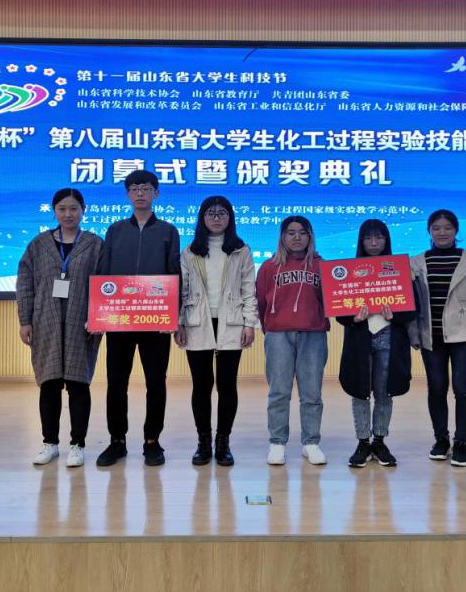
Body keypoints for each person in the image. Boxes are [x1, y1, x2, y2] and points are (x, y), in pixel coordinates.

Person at [95, 170, 181, 467]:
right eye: (134, 189)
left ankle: (152, 441)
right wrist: (99, 316)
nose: (140, 193)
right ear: (128, 195)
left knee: (156, 382)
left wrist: (173, 316)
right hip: (119, 319)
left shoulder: (168, 231)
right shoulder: (115, 230)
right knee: (116, 382)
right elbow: (104, 274)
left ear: (156, 193)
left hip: (155, 320)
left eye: (146, 188)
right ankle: (117, 441)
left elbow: (174, 274)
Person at [17, 188, 104, 468]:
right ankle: (50, 443)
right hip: (46, 321)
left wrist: (100, 317)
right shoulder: (39, 244)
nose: (68, 214)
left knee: (79, 384)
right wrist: (25, 320)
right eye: (62, 209)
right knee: (50, 384)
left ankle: (77, 445)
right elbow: (25, 284)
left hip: (83, 324)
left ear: (83, 211)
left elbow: (105, 284)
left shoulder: (94, 244)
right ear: (54, 211)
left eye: (74, 208)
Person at [175, 196, 258, 467]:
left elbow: (249, 289)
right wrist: (179, 322)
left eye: (222, 213)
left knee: (226, 384)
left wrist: (249, 323)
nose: (216, 218)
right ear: (202, 218)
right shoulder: (190, 251)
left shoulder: (241, 250)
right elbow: (182, 290)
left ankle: (223, 442)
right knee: (201, 386)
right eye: (211, 213)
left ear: (230, 218)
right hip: (197, 321)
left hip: (231, 322)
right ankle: (203, 442)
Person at [409, 209, 466, 467]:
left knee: (463, 389)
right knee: (436, 389)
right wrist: (413, 334)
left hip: (465, 336)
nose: (442, 232)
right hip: (431, 337)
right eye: (436, 228)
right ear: (429, 231)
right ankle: (441, 440)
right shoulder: (416, 263)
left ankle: (461, 442)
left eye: (447, 228)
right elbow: (411, 303)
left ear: (456, 230)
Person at [336, 219, 417, 468]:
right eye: (368, 238)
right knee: (360, 390)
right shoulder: (350, 270)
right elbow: (340, 311)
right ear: (361, 241)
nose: (373, 243)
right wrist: (353, 317)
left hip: (389, 340)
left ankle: (379, 440)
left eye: (379, 237)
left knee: (384, 392)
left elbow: (412, 309)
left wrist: (396, 314)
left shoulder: (399, 270)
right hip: (360, 341)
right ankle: (363, 441)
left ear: (386, 240)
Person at [257, 216, 331, 466]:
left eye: (302, 232)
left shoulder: (322, 266)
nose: (296, 237)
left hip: (313, 335)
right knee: (279, 391)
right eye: (291, 232)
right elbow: (261, 302)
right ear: (282, 237)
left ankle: (311, 443)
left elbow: (331, 301)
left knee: (312, 392)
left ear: (310, 236)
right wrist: (270, 328)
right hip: (278, 335)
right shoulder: (268, 267)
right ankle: (277, 442)